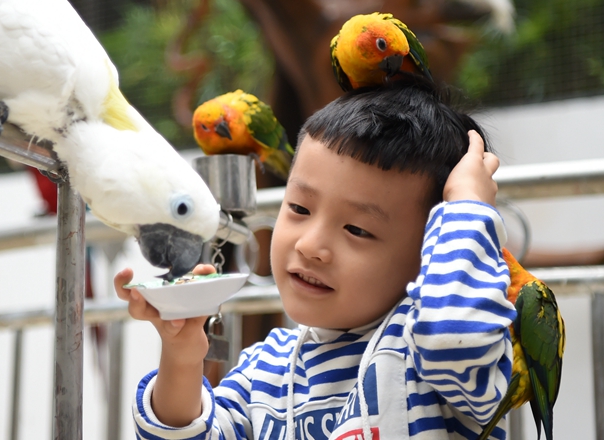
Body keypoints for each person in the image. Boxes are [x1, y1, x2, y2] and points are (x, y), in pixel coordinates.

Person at [114, 82, 516, 439]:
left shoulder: (434, 359)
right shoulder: (264, 370)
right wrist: (182, 357)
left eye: (357, 230)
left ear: (430, 249)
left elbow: (452, 339)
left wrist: (467, 205)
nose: (310, 245)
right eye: (299, 209)